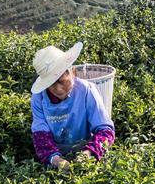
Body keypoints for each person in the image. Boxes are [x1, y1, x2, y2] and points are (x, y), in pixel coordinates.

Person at [30, 42, 115, 171]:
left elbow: (105, 130)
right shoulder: (39, 98)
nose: (58, 89)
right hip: (56, 154)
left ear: (72, 72)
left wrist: (88, 154)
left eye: (61, 81)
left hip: (87, 153)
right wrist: (56, 160)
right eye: (51, 84)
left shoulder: (87, 91)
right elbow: (41, 135)